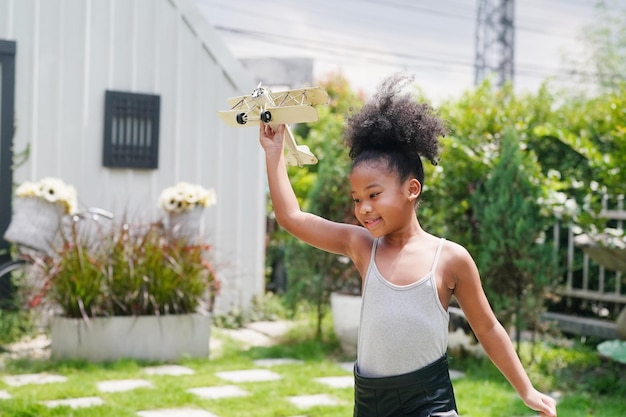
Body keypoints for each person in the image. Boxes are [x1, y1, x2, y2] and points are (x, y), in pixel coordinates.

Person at [258, 73, 557, 417]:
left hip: (428, 401)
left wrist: (527, 389)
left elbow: (488, 327)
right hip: (371, 402)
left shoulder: (450, 258)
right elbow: (292, 218)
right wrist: (274, 151)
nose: (363, 208)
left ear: (411, 189)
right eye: (356, 199)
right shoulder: (361, 246)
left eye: (373, 195)